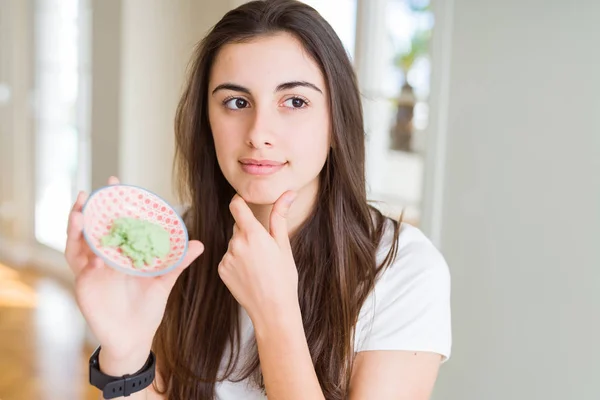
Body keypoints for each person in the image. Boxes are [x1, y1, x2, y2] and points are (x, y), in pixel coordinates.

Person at [65, 0, 451, 399]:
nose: (258, 132)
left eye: (295, 101)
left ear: (336, 121)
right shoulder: (176, 250)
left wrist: (275, 314)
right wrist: (125, 351)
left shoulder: (403, 269)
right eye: (236, 102)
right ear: (207, 121)